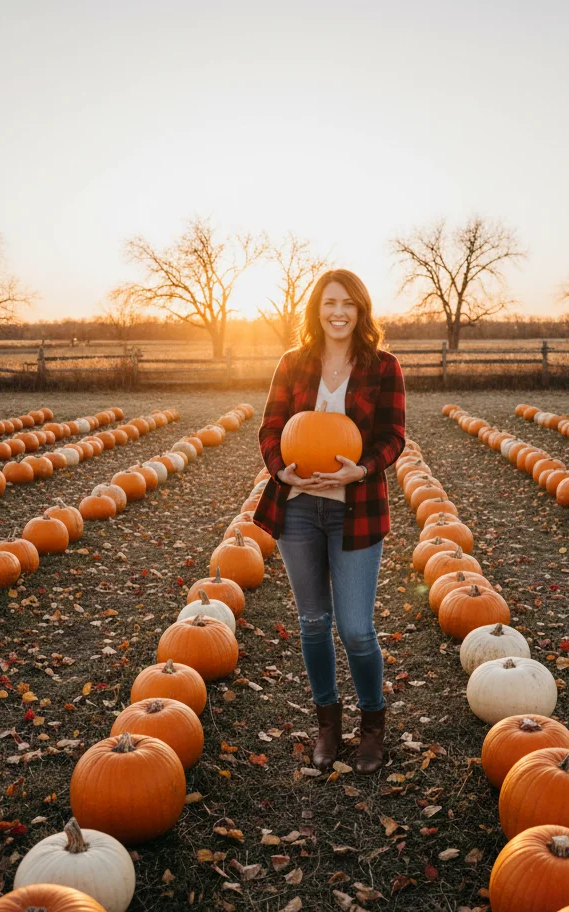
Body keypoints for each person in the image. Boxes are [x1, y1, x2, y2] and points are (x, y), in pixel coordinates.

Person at [253, 269, 406, 773]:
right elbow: (271, 428)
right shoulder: (293, 364)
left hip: (354, 510)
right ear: (316, 310)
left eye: (348, 304)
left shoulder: (383, 367)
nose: (338, 312)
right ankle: (326, 722)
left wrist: (362, 468)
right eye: (328, 303)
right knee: (314, 622)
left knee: (357, 629)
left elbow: (393, 436)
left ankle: (372, 724)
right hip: (297, 508)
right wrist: (282, 468)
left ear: (361, 311)